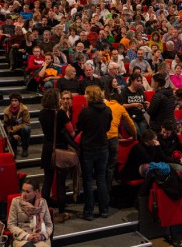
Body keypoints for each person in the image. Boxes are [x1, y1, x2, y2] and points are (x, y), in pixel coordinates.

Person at [38, 89, 78, 223]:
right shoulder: (60, 113)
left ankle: (42, 212)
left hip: (47, 149)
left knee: (47, 182)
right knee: (60, 183)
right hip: (60, 149)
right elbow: (72, 132)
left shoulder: (42, 113)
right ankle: (61, 213)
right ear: (56, 99)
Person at [76, 85, 112, 221]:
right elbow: (108, 127)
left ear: (90, 95)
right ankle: (104, 210)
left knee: (88, 181)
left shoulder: (85, 112)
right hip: (103, 148)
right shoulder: (107, 110)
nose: (84, 96)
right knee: (101, 179)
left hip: (88, 149)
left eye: (86, 93)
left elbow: (79, 127)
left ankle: (89, 212)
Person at [104, 88, 136, 193]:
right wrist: (135, 135)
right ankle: (107, 192)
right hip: (112, 138)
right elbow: (130, 123)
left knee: (102, 165)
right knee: (110, 166)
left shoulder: (105, 105)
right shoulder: (120, 107)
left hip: (102, 138)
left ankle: (102, 192)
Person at [7, 180, 53, 247]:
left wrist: (42, 236)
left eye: (28, 192)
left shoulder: (43, 202)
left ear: (36, 192)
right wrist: (27, 236)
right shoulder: (16, 202)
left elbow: (49, 225)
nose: (24, 194)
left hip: (40, 238)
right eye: (23, 190)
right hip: (23, 239)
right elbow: (11, 224)